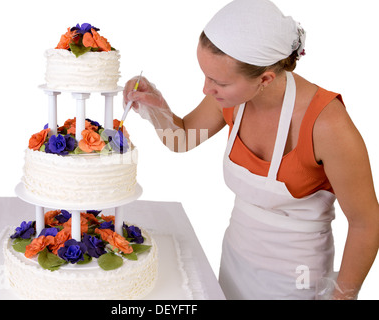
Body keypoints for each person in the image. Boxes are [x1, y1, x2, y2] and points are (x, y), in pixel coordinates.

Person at [123, 0, 379, 300]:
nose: (206, 89)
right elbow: (182, 140)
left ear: (265, 79)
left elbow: (366, 223)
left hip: (297, 279)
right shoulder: (232, 98)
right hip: (235, 261)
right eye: (205, 75)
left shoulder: (328, 126)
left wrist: (342, 296)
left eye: (218, 81)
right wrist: (157, 109)